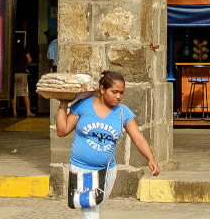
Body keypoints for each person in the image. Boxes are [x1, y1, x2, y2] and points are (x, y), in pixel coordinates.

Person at [56, 70, 159, 218]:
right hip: (81, 169)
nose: (118, 97)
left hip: (107, 171)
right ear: (102, 89)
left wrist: (151, 158)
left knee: (97, 208)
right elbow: (62, 131)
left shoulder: (123, 112)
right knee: (91, 212)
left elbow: (138, 138)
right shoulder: (83, 105)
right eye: (114, 92)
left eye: (122, 93)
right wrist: (63, 104)